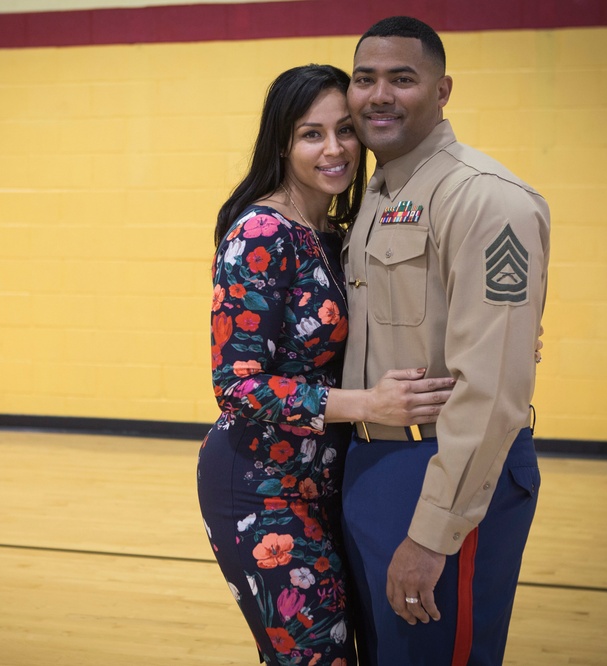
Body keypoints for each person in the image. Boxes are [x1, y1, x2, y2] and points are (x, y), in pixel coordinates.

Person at [197, 64, 455, 666]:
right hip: (261, 492)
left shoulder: (339, 230)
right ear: (282, 143)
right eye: (312, 134)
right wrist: (369, 405)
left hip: (328, 484)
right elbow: (238, 387)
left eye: (345, 130)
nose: (335, 149)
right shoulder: (259, 232)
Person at [339, 16, 551, 666]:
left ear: (442, 89)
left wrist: (434, 534)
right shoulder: (378, 191)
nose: (379, 95)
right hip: (370, 467)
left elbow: (490, 395)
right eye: (365, 78)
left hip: (440, 470)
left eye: (402, 79)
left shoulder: (487, 200)